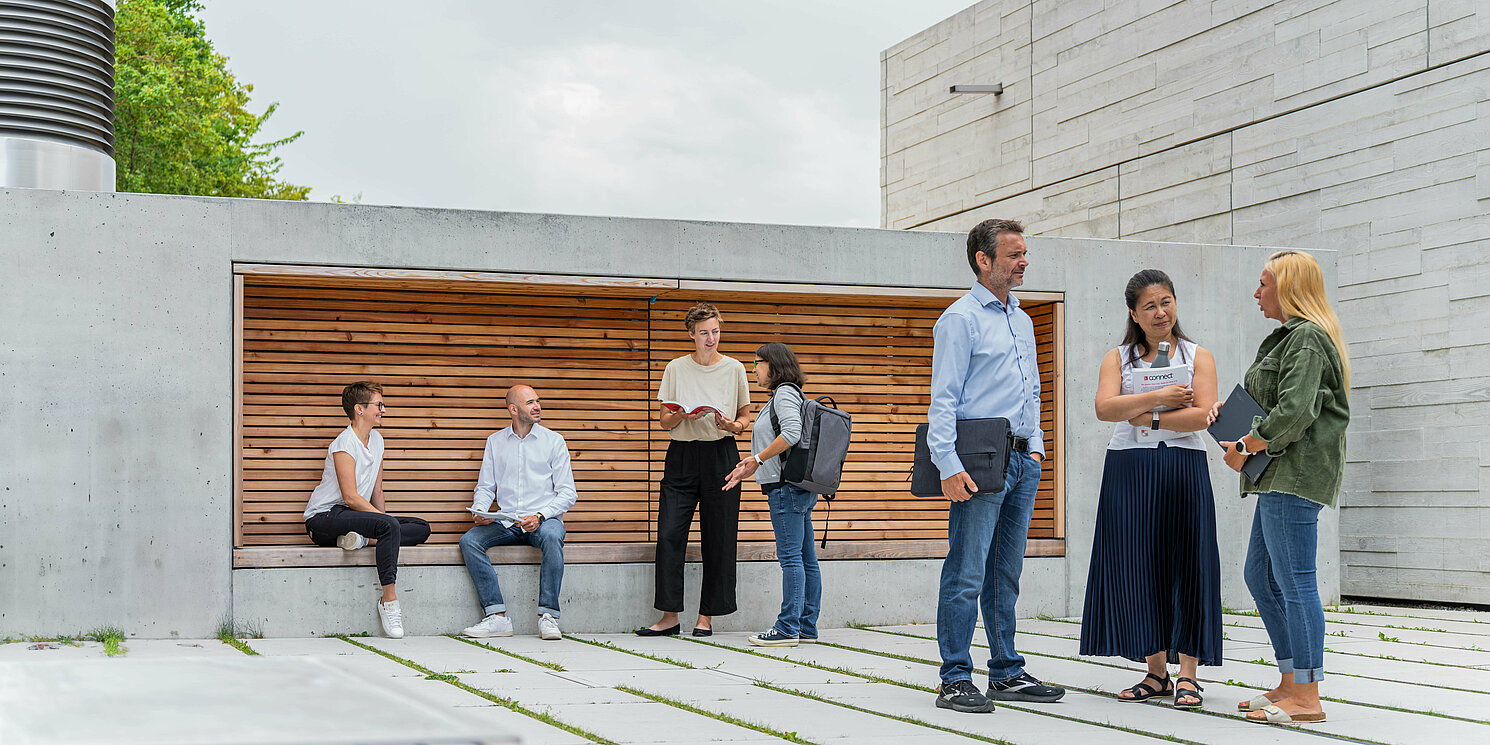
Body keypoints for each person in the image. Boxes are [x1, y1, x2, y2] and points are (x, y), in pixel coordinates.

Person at [930, 219, 1065, 713]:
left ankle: (1005, 672)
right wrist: (946, 463)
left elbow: (1030, 390)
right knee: (967, 570)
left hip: (1022, 460)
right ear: (984, 261)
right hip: (979, 461)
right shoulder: (960, 319)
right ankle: (954, 678)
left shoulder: (1022, 319)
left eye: (1024, 253)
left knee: (1005, 573)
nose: (1023, 261)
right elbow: (942, 401)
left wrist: (1037, 448)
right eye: (1013, 254)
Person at [1210, 250, 1350, 725]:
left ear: (1288, 287)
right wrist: (1226, 416)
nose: (1256, 292)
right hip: (1276, 473)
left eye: (1264, 283)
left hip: (1295, 473)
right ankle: (1292, 680)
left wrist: (1245, 446)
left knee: (1295, 581)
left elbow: (1295, 412)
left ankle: (1308, 697)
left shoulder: (1307, 339)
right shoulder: (1285, 340)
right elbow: (1270, 402)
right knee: (1260, 577)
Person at [1080, 269, 1222, 709]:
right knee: (1139, 565)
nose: (1160, 312)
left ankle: (1190, 675)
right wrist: (1155, 401)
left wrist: (1148, 416)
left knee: (1189, 560)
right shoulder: (1117, 357)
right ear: (1133, 313)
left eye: (1166, 302)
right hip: (1129, 467)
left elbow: (1203, 415)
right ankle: (1156, 672)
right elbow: (1106, 408)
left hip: (1183, 466)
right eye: (1149, 306)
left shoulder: (1199, 356)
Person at [638, 302, 752, 637]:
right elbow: (663, 420)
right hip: (682, 456)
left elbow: (744, 420)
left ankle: (706, 617)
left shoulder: (734, 369)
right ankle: (669, 616)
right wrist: (681, 416)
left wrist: (731, 424)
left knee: (719, 537)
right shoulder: (675, 368)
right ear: (691, 334)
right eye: (704, 332)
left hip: (721, 455)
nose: (711, 338)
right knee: (669, 534)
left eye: (715, 331)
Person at [303, 382, 431, 639]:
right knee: (389, 526)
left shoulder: (377, 440)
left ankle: (361, 539)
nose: (384, 410)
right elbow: (350, 497)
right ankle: (389, 601)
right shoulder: (343, 444)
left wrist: (385, 525)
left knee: (422, 528)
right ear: (359, 409)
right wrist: (385, 524)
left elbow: (377, 490)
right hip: (324, 519)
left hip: (354, 518)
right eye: (379, 405)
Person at [459, 385, 577, 641]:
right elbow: (486, 486)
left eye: (538, 400)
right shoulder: (495, 442)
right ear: (513, 409)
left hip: (543, 522)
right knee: (470, 541)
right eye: (530, 402)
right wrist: (480, 510)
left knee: (553, 536)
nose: (537, 406)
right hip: (507, 522)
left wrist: (541, 516)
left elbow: (568, 493)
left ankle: (548, 617)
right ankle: (497, 617)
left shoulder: (553, 441)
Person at [723, 342, 821, 647]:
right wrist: (752, 465)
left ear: (774, 365)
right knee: (806, 559)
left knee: (792, 559)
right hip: (795, 488)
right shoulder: (788, 395)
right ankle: (806, 626)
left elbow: (790, 434)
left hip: (786, 491)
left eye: (757, 363)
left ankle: (787, 627)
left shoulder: (785, 394)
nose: (754, 369)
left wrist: (758, 459)